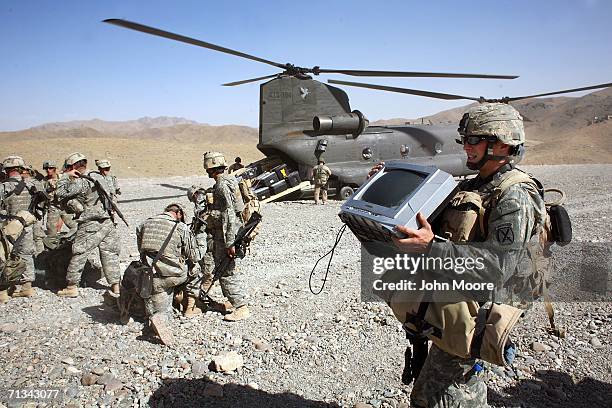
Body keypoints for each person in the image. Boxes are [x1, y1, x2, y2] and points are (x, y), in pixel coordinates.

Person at [372, 103, 546, 407]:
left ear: (502, 144)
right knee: (443, 389)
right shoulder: (474, 186)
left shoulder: (514, 196)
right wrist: (382, 183)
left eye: (474, 140)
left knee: (441, 396)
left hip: (479, 312)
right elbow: (430, 219)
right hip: (455, 301)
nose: (466, 146)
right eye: (464, 139)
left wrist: (430, 248)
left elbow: (496, 268)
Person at [55, 152, 121, 300]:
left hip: (91, 222)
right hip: (108, 221)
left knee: (79, 252)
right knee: (110, 253)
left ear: (72, 166)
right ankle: (115, 286)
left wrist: (66, 176)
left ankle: (71, 287)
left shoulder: (82, 181)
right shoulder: (100, 177)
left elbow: (60, 193)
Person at [137, 204, 201, 345]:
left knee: (159, 305)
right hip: (173, 276)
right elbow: (194, 256)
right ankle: (189, 307)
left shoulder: (144, 224)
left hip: (150, 276)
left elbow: (140, 249)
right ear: (178, 213)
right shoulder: (181, 227)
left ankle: (155, 318)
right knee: (197, 270)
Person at [202, 151, 250, 321]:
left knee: (226, 271)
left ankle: (241, 307)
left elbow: (229, 214)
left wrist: (230, 243)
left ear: (210, 167)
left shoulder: (222, 185)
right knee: (225, 270)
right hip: (228, 234)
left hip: (227, 236)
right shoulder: (228, 181)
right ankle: (236, 303)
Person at [0, 156, 40, 298]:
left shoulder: (4, 186)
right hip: (27, 224)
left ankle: (3, 292)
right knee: (26, 254)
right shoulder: (31, 185)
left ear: (7, 170)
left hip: (9, 226)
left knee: (4, 255)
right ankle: (27, 287)